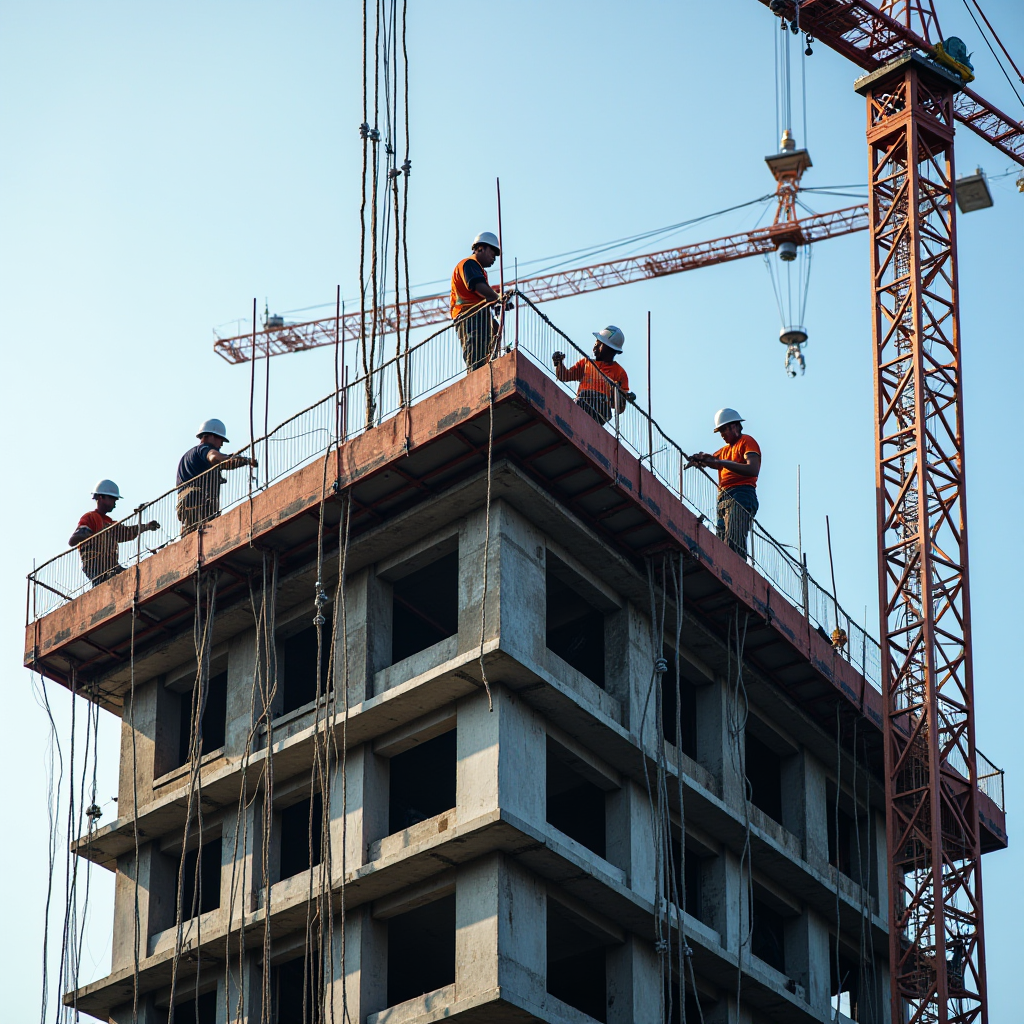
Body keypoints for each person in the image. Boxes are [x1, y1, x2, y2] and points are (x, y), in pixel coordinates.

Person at [686, 408, 761, 559]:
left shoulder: (746, 441)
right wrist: (702, 460)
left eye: (723, 430)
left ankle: (737, 575)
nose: (721, 435)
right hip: (723, 499)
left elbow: (753, 469)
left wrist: (721, 462)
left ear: (734, 426)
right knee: (722, 546)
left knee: (734, 542)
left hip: (742, 495)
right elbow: (714, 461)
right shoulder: (725, 451)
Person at [68, 479, 160, 587]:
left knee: (131, 577)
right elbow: (72, 541)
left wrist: (146, 526)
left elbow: (126, 533)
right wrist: (92, 536)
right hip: (95, 566)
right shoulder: (90, 518)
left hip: (111, 566)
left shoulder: (110, 522)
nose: (115, 504)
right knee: (102, 585)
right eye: (113, 500)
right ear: (101, 497)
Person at [176, 419, 257, 535]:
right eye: (220, 439)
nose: (221, 444)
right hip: (198, 503)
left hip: (187, 507)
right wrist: (241, 460)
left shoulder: (189, 456)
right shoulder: (204, 449)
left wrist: (239, 461)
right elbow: (214, 458)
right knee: (205, 536)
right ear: (210, 436)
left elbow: (221, 463)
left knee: (193, 535)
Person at [551, 326, 633, 426]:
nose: (594, 348)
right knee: (583, 397)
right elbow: (565, 376)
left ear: (610, 349)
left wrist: (622, 398)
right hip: (582, 404)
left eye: (599, 345)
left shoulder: (619, 373)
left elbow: (619, 408)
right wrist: (558, 363)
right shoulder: (587, 363)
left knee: (595, 399)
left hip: (601, 411)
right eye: (595, 344)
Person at [450, 231, 504, 372]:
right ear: (481, 248)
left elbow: (482, 296)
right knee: (475, 349)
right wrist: (497, 298)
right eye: (492, 253)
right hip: (469, 316)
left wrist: (497, 301)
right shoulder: (469, 264)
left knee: (494, 330)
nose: (494, 258)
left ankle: (488, 366)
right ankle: (477, 374)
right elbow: (478, 286)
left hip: (476, 314)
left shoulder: (479, 270)